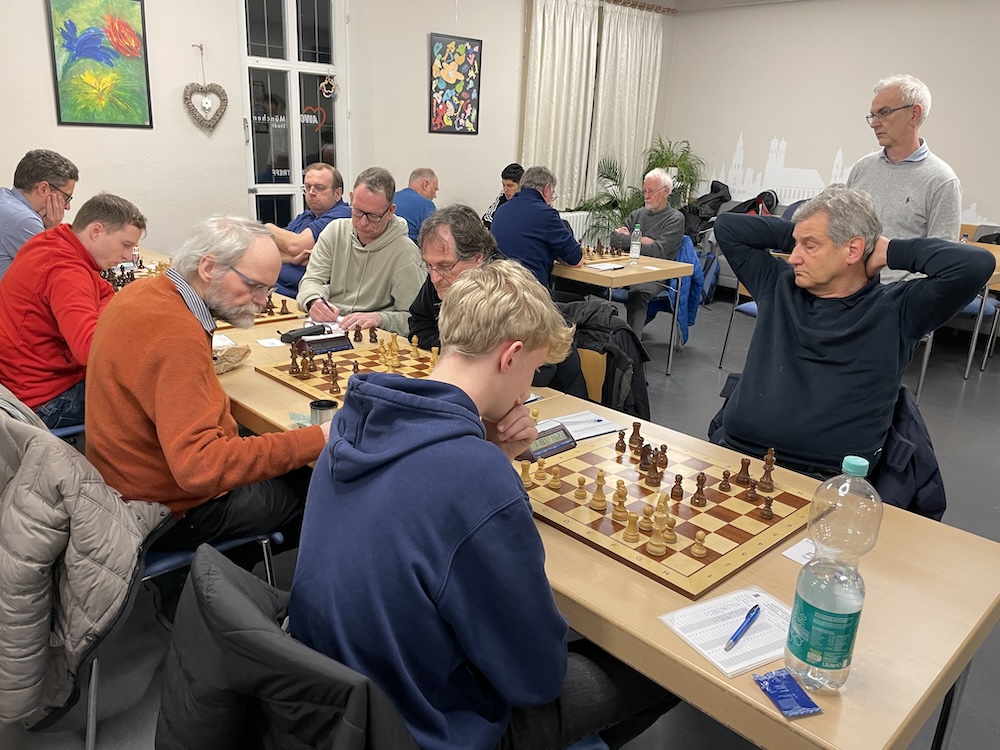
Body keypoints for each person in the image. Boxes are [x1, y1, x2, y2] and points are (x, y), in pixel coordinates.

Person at [291, 259, 677, 750]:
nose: (528, 391)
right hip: (427, 728)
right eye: (533, 370)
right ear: (510, 356)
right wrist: (489, 467)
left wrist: (491, 453)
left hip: (335, 705)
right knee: (663, 670)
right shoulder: (475, 477)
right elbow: (535, 678)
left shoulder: (352, 421)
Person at [86, 216, 330, 620]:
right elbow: (201, 468)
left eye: (268, 289)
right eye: (254, 286)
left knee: (280, 458)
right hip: (169, 512)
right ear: (208, 267)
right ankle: (214, 601)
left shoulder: (146, 293)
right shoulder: (175, 333)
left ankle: (200, 587)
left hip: (124, 487)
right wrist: (319, 438)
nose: (261, 301)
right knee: (325, 490)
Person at [710, 185, 993, 476]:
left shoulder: (898, 309)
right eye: (796, 245)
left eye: (809, 246)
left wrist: (890, 250)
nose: (793, 257)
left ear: (853, 249)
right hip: (736, 453)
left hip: (828, 477)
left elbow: (975, 265)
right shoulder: (778, 284)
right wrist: (801, 234)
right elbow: (728, 226)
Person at [408, 203, 589, 398]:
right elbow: (419, 326)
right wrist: (460, 355)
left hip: (554, 396)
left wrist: (466, 358)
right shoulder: (442, 275)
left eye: (444, 266)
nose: (434, 278)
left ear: (478, 257)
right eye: (428, 265)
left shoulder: (509, 292)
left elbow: (541, 370)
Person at [0, 193, 145, 429]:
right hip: (44, 400)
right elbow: (91, 351)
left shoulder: (52, 240)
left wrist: (100, 314)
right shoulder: (67, 272)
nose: (128, 256)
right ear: (96, 231)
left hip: (17, 383)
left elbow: (105, 292)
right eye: (125, 245)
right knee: (156, 396)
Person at [846, 74, 961, 282]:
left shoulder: (941, 181)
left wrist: (901, 293)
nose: (874, 123)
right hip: (850, 287)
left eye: (884, 113)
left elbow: (940, 259)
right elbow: (842, 232)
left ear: (914, 114)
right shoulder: (862, 169)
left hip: (901, 293)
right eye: (872, 115)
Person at [297, 166, 425, 336]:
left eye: (373, 216)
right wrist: (313, 301)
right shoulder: (334, 231)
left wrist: (380, 319)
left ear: (390, 211)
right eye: (357, 211)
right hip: (331, 328)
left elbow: (415, 319)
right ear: (351, 198)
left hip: (374, 338)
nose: (363, 222)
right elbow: (311, 280)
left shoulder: (406, 253)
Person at [612, 168, 685, 337]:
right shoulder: (637, 214)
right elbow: (614, 240)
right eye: (644, 191)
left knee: (639, 293)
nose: (646, 196)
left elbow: (658, 251)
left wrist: (630, 239)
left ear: (666, 192)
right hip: (627, 270)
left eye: (651, 191)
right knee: (584, 282)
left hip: (655, 275)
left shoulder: (675, 219)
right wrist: (642, 240)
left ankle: (632, 347)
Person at [490, 166, 583, 289]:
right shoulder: (545, 213)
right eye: (552, 193)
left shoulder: (501, 210)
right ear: (546, 189)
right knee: (578, 298)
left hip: (498, 289)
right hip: (529, 293)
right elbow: (577, 260)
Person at [266, 163, 351, 297]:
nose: (311, 192)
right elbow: (269, 251)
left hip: (300, 295)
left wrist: (267, 227)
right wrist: (291, 259)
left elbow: (294, 246)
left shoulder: (341, 215)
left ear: (337, 193)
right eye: (307, 187)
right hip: (272, 287)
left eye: (319, 188)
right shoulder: (307, 216)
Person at [0, 149, 79, 280]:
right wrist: (52, 229)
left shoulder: (4, 197)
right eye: (66, 197)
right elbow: (56, 274)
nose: (67, 206)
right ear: (43, 189)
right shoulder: (24, 220)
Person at [393, 167, 439, 241]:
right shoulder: (426, 205)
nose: (435, 195)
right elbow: (434, 240)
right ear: (426, 184)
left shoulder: (390, 198)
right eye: (435, 189)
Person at [481, 162, 523, 229]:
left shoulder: (528, 200)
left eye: (510, 186)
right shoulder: (503, 195)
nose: (505, 189)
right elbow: (487, 219)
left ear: (521, 185)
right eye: (503, 185)